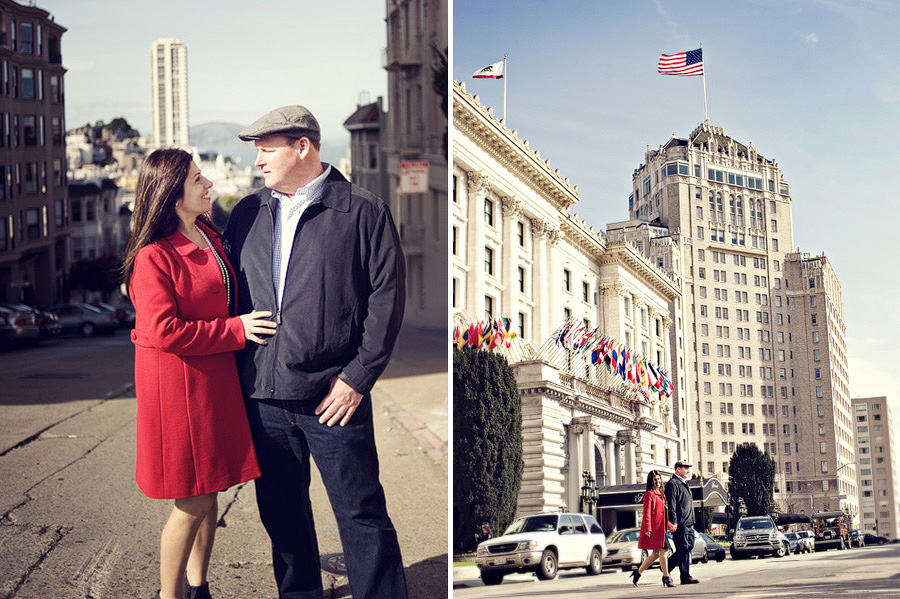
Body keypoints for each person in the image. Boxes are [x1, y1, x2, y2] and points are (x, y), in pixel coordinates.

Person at [224, 105, 407, 599]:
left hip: (333, 395)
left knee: (361, 512)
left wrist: (357, 378)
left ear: (301, 147)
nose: (258, 161)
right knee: (281, 515)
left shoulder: (362, 210)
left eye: (266, 150)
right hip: (264, 395)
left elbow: (387, 298)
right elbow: (220, 287)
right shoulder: (246, 212)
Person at [122, 148, 277, 599]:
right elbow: (164, 331)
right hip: (180, 386)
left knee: (210, 489)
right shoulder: (153, 256)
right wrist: (237, 329)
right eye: (196, 179)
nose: (208, 183)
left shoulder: (207, 231)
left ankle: (198, 587)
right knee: (192, 499)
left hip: (214, 378)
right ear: (172, 196)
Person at [631, 470, 675, 587]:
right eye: (655, 480)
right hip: (655, 530)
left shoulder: (661, 494)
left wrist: (670, 526)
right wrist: (648, 528)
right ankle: (666, 577)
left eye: (659, 479)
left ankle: (638, 573)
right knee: (664, 551)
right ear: (651, 481)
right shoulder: (649, 495)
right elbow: (647, 513)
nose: (658, 482)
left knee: (656, 554)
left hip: (662, 529)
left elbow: (663, 515)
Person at [665, 461, 699, 585]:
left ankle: (666, 567)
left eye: (688, 468)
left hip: (689, 523)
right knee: (684, 548)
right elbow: (671, 505)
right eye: (685, 468)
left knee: (688, 547)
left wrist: (693, 521)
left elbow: (688, 505)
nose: (688, 471)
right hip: (680, 523)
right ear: (678, 470)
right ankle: (685, 576)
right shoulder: (672, 484)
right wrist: (673, 522)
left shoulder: (684, 484)